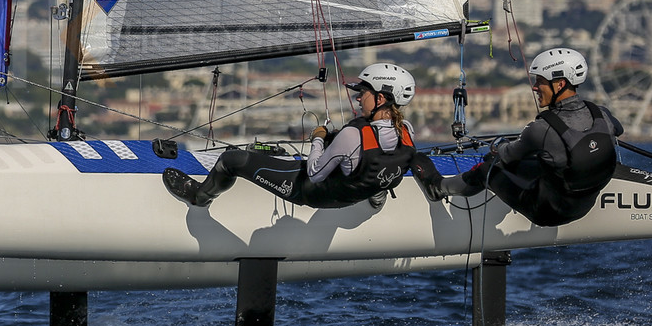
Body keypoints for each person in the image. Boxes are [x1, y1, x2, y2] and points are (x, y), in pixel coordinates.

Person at [162, 63, 446, 209]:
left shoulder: (352, 134)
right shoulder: (405, 133)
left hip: (311, 194)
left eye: (364, 93)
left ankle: (199, 197)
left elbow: (314, 172)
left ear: (381, 98)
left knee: (231, 159)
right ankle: (376, 200)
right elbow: (382, 161)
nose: (359, 99)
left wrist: (319, 138)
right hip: (356, 196)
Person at [441, 47, 622, 226]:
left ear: (560, 84)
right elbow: (618, 129)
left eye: (540, 81)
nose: (534, 87)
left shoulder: (541, 129)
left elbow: (507, 156)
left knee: (489, 166)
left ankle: (439, 187)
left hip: (547, 213)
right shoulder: (601, 114)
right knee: (546, 159)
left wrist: (498, 144)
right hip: (584, 206)